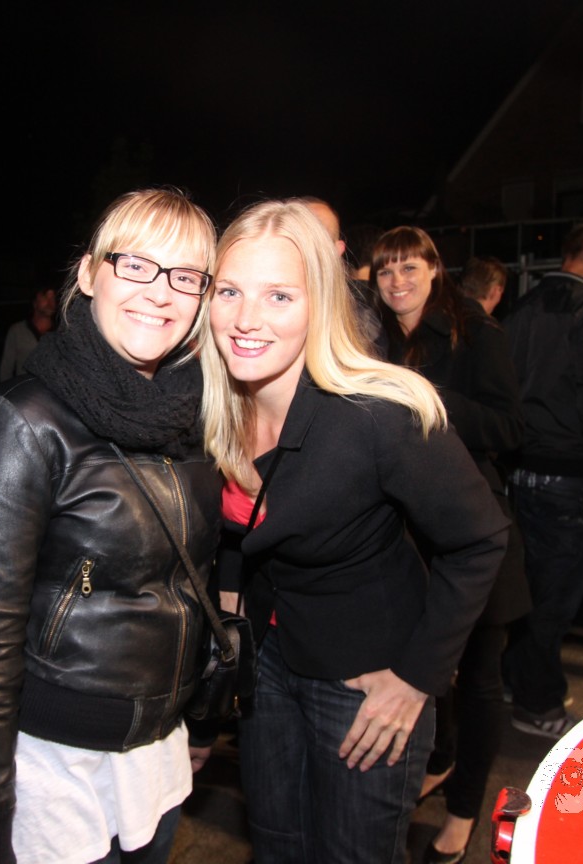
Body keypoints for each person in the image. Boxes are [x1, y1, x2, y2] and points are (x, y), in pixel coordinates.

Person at [200, 200, 507, 863]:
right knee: (278, 846)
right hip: (269, 663)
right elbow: (242, 536)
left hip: (366, 677)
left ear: (321, 303)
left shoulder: (378, 412)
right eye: (229, 291)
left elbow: (480, 538)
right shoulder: (214, 406)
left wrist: (419, 676)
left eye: (279, 295)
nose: (246, 319)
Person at [0, 188, 220, 864]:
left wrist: (202, 713)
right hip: (52, 767)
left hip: (160, 757)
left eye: (186, 276)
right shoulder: (21, 423)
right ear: (89, 274)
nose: (160, 292)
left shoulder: (192, 415)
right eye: (136, 264)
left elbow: (191, 585)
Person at [372, 226, 525, 863]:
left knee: (480, 678)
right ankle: (437, 761)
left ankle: (464, 811)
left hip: (469, 524)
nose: (397, 281)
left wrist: (435, 398)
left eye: (410, 267)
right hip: (402, 528)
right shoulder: (374, 337)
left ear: (436, 270)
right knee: (424, 666)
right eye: (386, 270)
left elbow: (511, 428)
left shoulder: (475, 334)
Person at [502, 218, 583, 739]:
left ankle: (517, 681)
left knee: (524, 589)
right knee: (554, 598)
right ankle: (537, 704)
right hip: (571, 473)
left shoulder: (522, 306)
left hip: (521, 469)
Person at [298, 197, 385, 358]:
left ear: (337, 249)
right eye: (300, 231)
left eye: (320, 235)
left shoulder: (358, 318)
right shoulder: (256, 298)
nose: (308, 244)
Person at [0, 286, 57, 381]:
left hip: (52, 388)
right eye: (45, 297)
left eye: (53, 298)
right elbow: (6, 367)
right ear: (34, 302)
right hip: (25, 387)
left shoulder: (60, 331)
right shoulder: (17, 330)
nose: (50, 302)